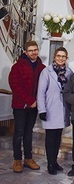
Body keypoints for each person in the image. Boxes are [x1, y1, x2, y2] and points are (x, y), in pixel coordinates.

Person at [8, 40, 46, 173]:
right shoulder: (17, 66)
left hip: (34, 106)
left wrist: (38, 102)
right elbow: (15, 86)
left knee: (28, 132)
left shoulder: (42, 67)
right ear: (25, 52)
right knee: (19, 132)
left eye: (35, 50)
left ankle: (28, 158)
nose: (33, 52)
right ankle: (17, 159)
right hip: (20, 105)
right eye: (30, 50)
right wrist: (30, 100)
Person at [37, 47, 72, 175]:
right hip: (50, 109)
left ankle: (55, 161)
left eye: (63, 56)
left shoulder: (69, 72)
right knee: (50, 138)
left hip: (63, 109)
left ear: (66, 58)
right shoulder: (46, 72)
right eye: (59, 56)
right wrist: (42, 109)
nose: (61, 58)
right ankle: (50, 163)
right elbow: (41, 92)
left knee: (58, 137)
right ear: (54, 57)